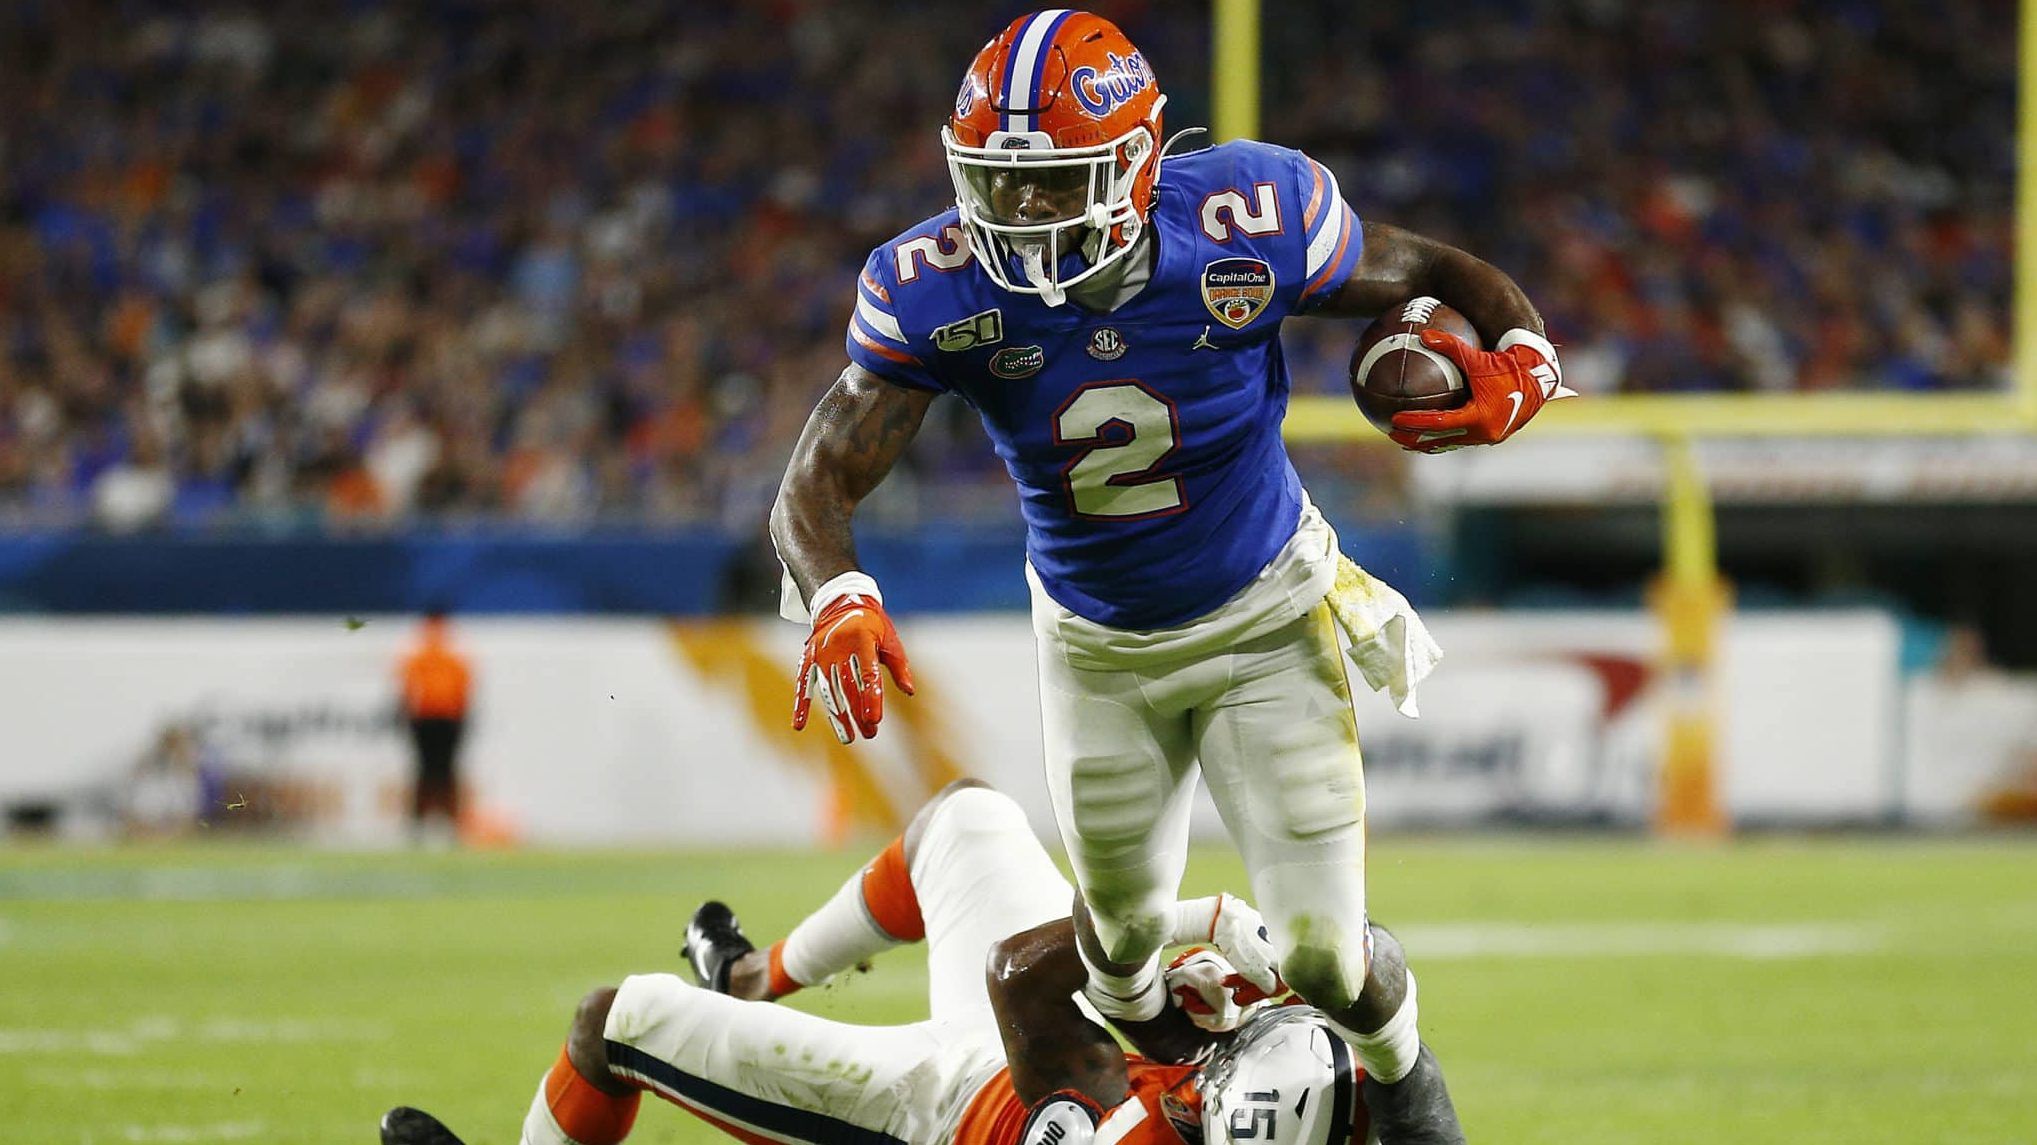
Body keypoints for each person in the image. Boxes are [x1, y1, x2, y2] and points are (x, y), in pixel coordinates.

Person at [772, 11, 1562, 1140]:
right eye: (997, 183)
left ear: (1139, 164)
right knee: (1123, 950)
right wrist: (839, 590)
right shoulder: (937, 285)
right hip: (1097, 646)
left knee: (1327, 955)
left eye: (1052, 184)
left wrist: (1526, 355)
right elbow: (818, 476)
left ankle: (1408, 1086)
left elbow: (1436, 271)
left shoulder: (1248, 220)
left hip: (1267, 618)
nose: (1018, 212)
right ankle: (1192, 1099)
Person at [379, 780, 1454, 1145]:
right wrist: (1331, 978)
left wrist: (1198, 921)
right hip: (1040, 1049)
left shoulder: (1127, 1121)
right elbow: (1387, 1002)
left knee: (614, 1021)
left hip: (943, 1103)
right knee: (969, 817)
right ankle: (755, 974)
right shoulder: (1320, 1107)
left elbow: (1022, 973)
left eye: (1217, 1074)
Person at [398, 610, 474, 844]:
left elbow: (463, 692)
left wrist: (461, 719)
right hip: (425, 719)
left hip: (447, 720)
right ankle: (418, 824)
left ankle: (451, 824)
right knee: (425, 772)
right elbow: (409, 689)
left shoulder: (452, 659)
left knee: (446, 773)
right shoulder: (420, 658)